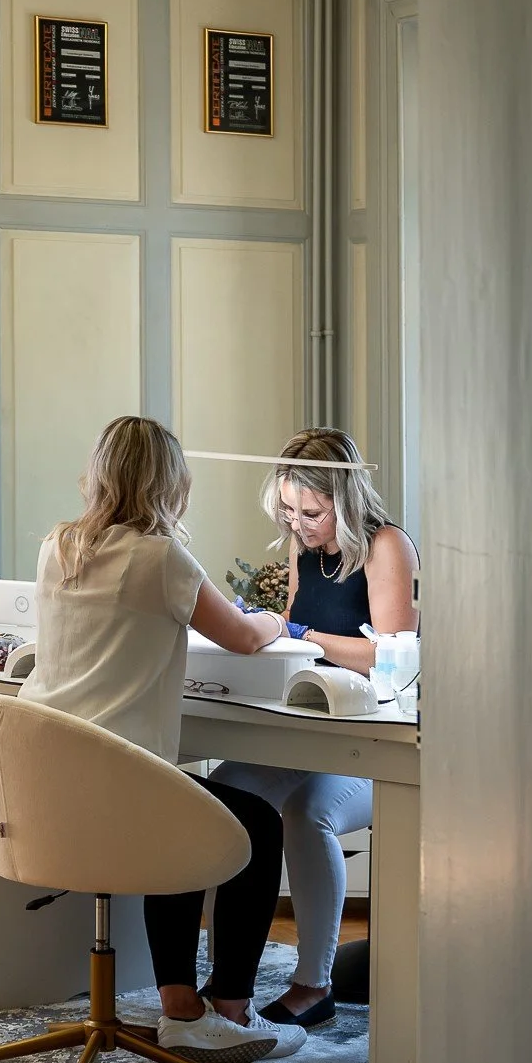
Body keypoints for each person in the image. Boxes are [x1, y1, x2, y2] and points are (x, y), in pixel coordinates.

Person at [20, 415, 306, 1063]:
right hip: (118, 784)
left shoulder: (59, 546)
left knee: (179, 807)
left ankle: (181, 1006)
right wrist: (275, 619)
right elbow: (241, 636)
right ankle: (230, 1010)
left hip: (50, 780)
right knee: (255, 823)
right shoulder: (159, 556)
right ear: (170, 482)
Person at [210, 429, 419, 1028]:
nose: (298, 525)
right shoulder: (304, 550)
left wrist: (300, 634)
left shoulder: (385, 547)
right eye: (288, 511)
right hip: (312, 726)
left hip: (378, 741)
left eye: (311, 513)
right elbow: (293, 634)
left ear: (345, 502)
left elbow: (390, 655)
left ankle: (313, 984)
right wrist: (265, 633)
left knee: (307, 814)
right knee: (227, 795)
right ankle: (228, 980)